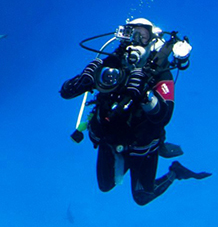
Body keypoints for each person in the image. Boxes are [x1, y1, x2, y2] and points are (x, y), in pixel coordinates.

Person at [60, 18, 210, 206]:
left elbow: (164, 116)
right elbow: (66, 93)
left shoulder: (160, 72)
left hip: (143, 146)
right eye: (132, 34)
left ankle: (175, 172)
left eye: (143, 35)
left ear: (152, 40)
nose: (136, 40)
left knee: (142, 197)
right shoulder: (114, 61)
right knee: (105, 186)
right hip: (110, 140)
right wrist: (81, 80)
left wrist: (146, 96)